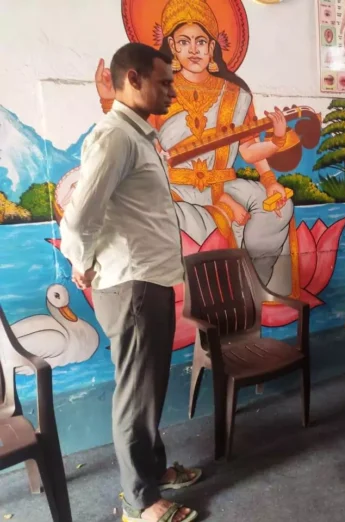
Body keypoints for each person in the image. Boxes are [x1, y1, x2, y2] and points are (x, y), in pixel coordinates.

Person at [60, 43, 200, 522]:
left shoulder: (137, 135)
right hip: (131, 285)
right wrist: (81, 263)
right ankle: (141, 501)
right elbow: (79, 218)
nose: (173, 90)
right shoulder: (115, 137)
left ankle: (155, 471)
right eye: (164, 82)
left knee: (148, 388)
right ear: (133, 79)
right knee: (136, 393)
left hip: (147, 280)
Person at [94, 0, 294, 292]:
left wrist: (271, 172)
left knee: (280, 208)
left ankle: (251, 286)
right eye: (184, 42)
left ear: (212, 46)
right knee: (179, 219)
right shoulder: (158, 91)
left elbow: (248, 149)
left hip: (223, 183)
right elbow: (131, 132)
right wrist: (109, 100)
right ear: (173, 47)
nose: (193, 50)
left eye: (201, 41)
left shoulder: (236, 95)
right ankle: (202, 293)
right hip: (174, 188)